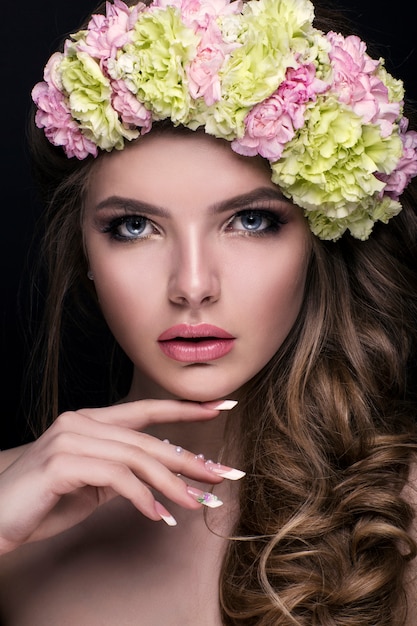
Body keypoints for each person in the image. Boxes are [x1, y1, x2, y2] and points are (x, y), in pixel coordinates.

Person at [0, 0, 417, 623]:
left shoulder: (401, 515)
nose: (192, 286)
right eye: (134, 226)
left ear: (318, 240)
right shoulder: (9, 501)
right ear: (84, 249)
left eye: (251, 221)